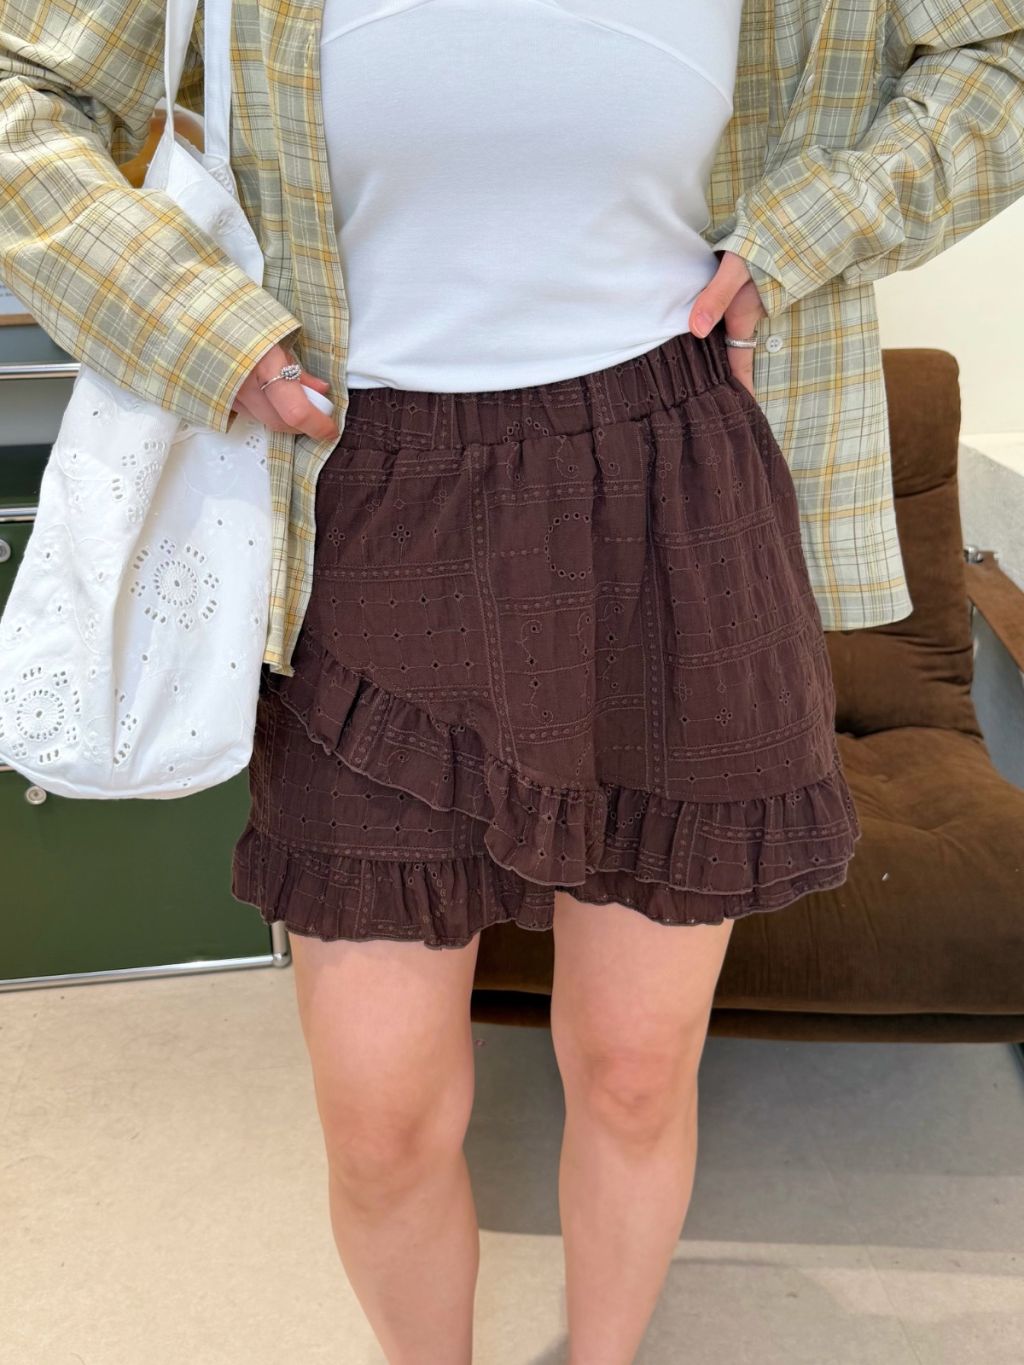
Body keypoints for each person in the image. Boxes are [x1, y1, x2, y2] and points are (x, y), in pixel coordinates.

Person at [2, 2, 1021, 1362]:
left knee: (637, 1071)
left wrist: (817, 224)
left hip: (673, 475)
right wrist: (191, 321)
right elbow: (20, 86)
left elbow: (1001, 54)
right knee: (380, 1121)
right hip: (364, 488)